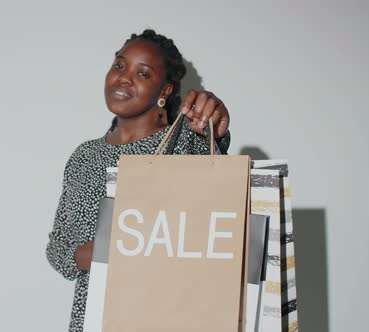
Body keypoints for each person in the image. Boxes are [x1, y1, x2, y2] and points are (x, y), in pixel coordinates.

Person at [45, 29, 232, 332]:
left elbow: (213, 164)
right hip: (93, 318)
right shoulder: (84, 156)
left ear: (165, 91)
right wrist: (85, 255)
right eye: (120, 65)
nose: (124, 78)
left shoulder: (181, 145)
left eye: (142, 73)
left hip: (169, 317)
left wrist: (210, 122)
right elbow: (57, 246)